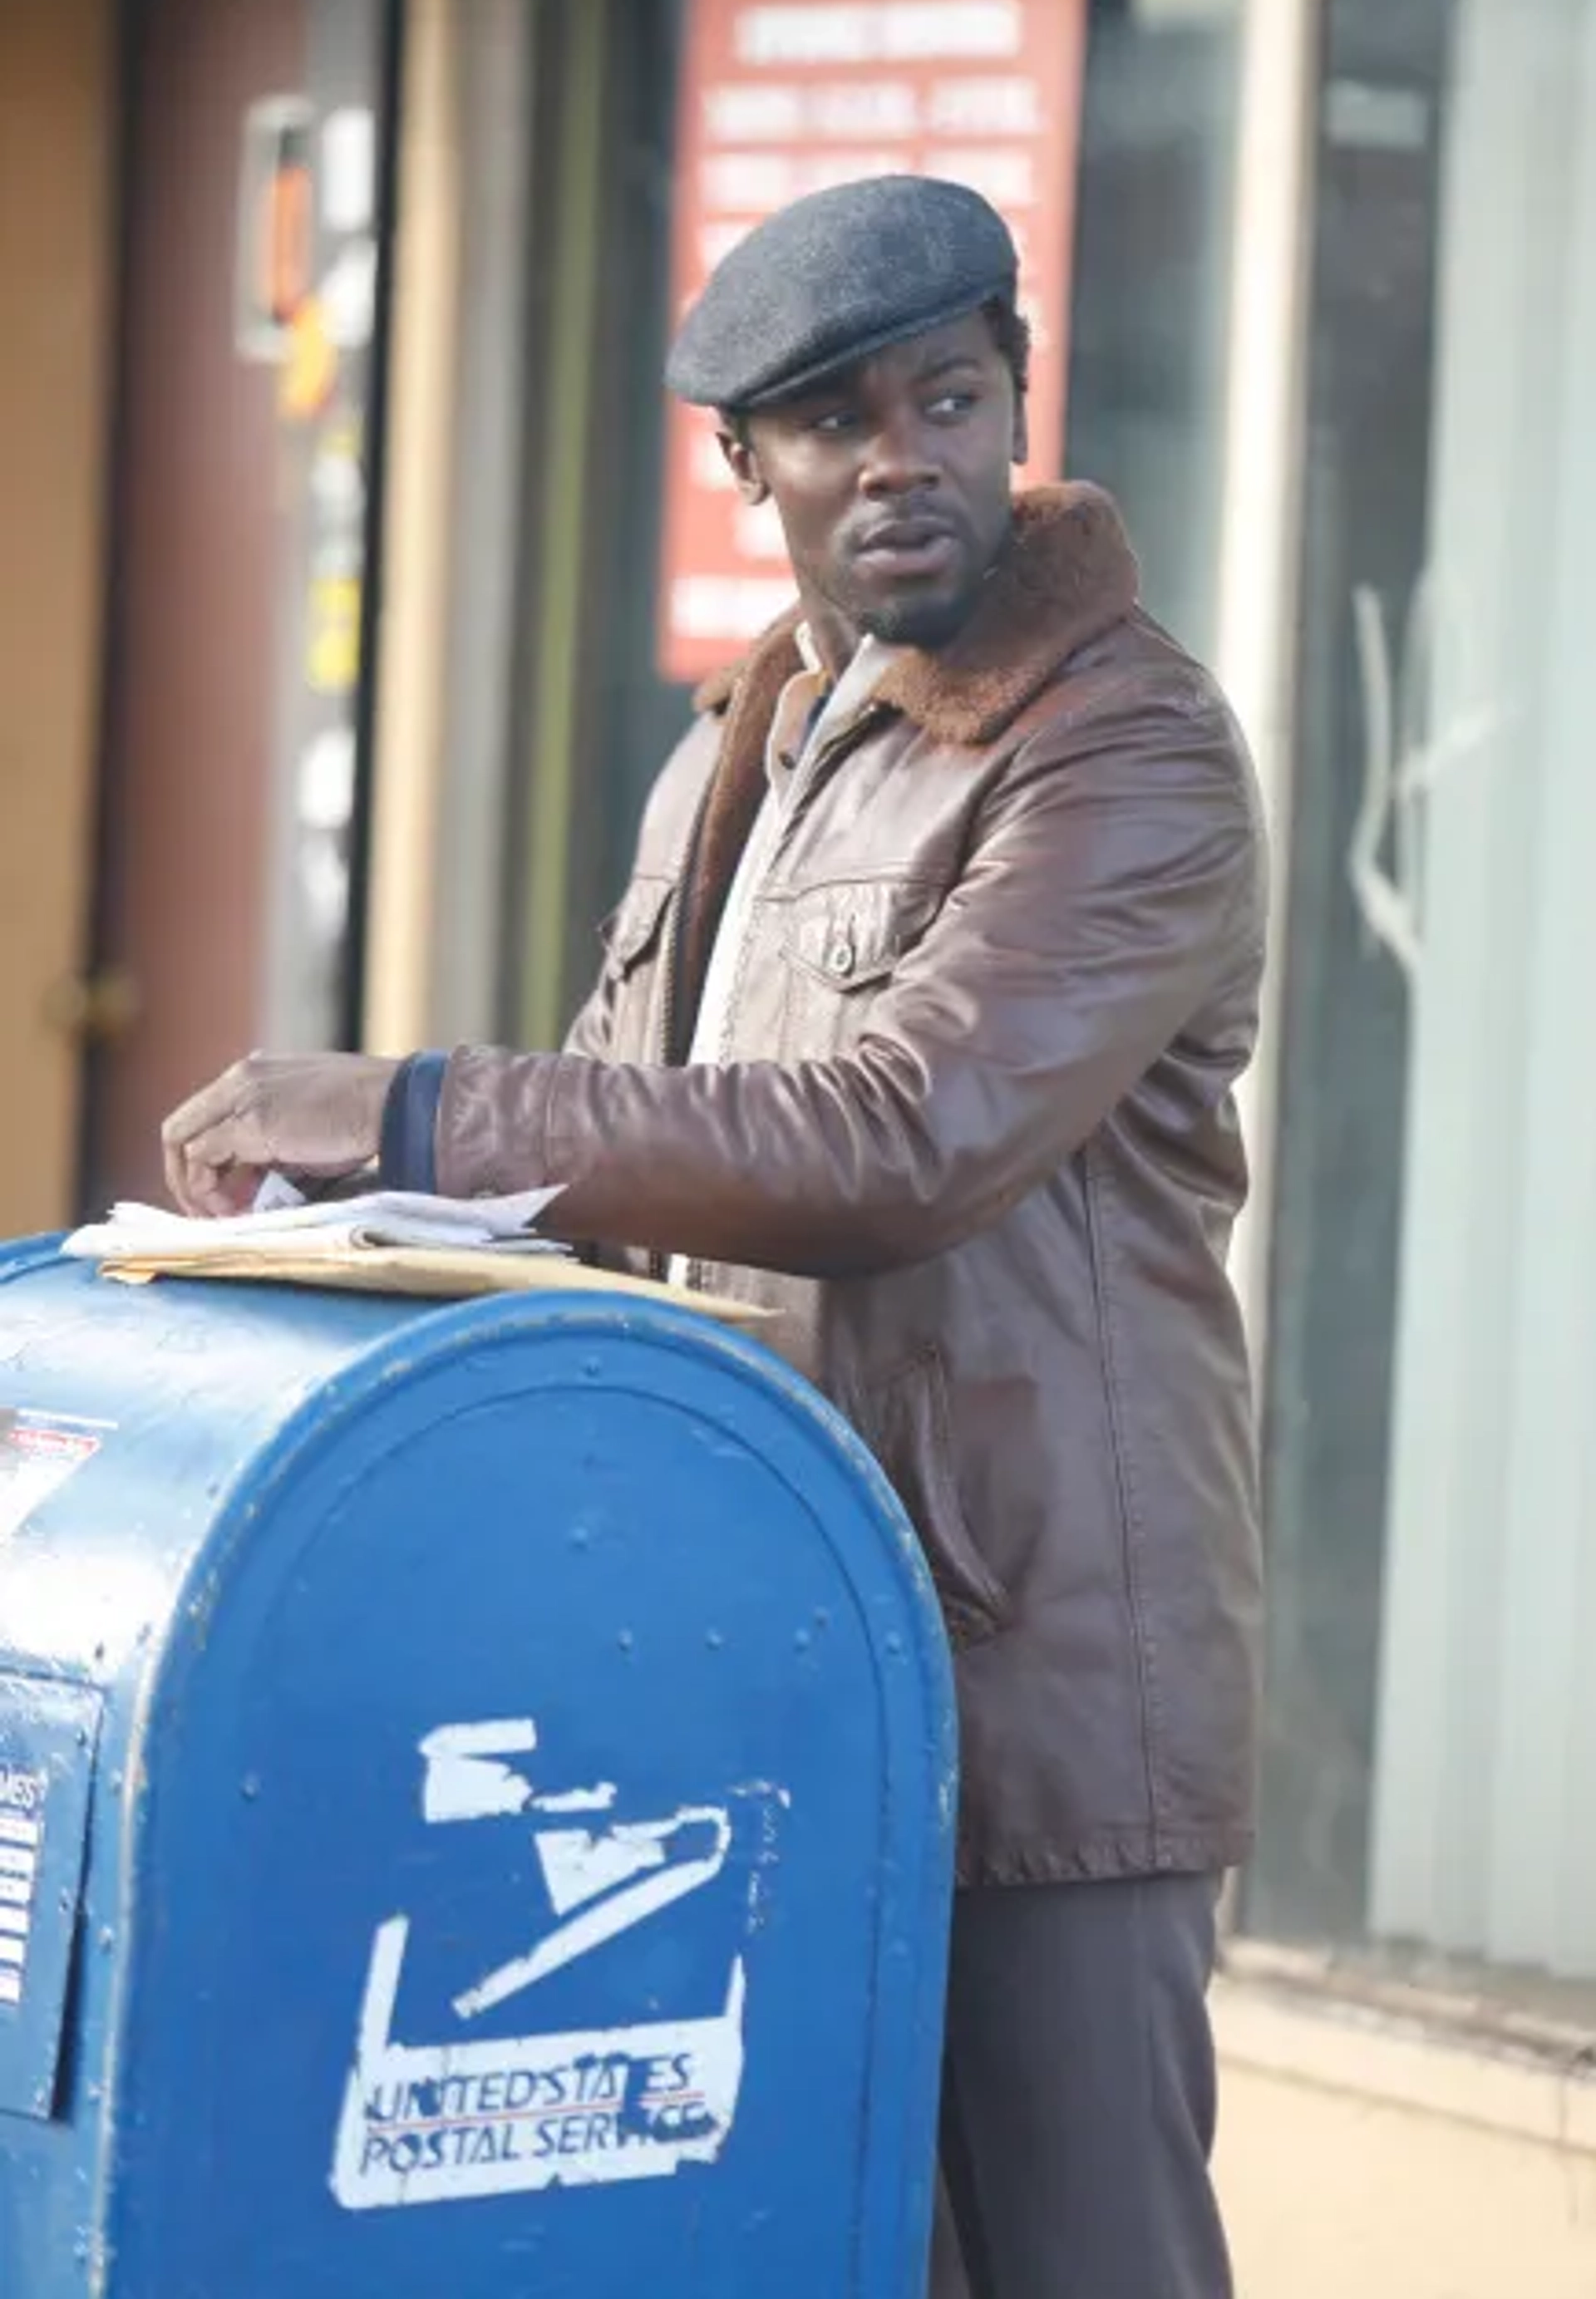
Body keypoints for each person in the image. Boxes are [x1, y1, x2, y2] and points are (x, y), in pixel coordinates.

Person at [164, 175, 1266, 2299]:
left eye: (948, 399)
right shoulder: (739, 754)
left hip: (1040, 1675)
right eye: (834, 425)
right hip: (773, 1657)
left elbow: (899, 1140)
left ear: (1017, 396)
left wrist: (406, 1107)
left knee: (1080, 2263)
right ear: (743, 462)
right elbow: (639, 1176)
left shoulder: (1124, 742)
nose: (901, 459)